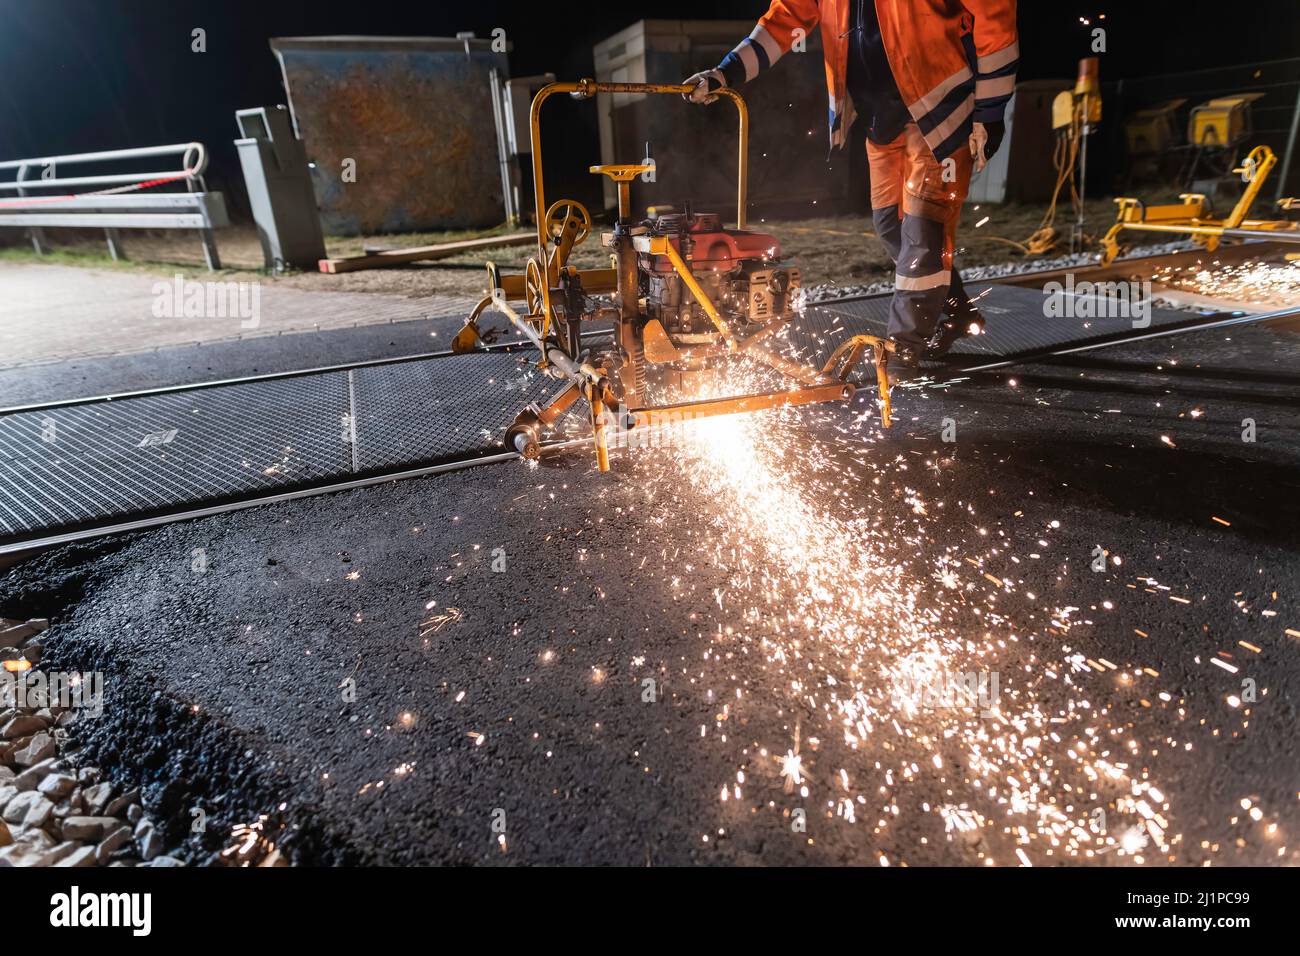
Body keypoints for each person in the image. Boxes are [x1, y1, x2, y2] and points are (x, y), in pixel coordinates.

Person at [684, 0, 1018, 368]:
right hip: (882, 123)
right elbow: (785, 21)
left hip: (942, 114)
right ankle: (957, 312)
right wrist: (724, 73)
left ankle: (900, 351)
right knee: (892, 226)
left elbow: (994, 15)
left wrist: (990, 110)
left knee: (923, 234)